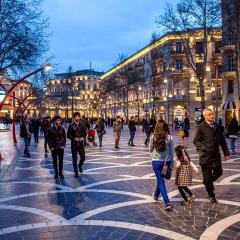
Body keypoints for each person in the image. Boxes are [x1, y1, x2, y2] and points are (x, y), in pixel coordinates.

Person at [193, 108, 230, 203]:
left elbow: (222, 140)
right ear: (205, 116)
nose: (212, 116)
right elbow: (196, 141)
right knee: (207, 177)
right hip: (205, 156)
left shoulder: (218, 126)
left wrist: (226, 153)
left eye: (212, 114)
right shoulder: (200, 126)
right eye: (210, 114)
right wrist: (203, 148)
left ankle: (207, 182)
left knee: (219, 172)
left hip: (216, 155)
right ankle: (211, 194)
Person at [149, 120, 174, 211]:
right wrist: (171, 164)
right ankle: (167, 202)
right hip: (165, 162)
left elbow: (150, 149)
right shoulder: (170, 138)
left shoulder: (153, 137)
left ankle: (156, 195)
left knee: (160, 180)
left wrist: (153, 157)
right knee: (161, 181)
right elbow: (171, 153)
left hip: (156, 162)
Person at [67, 112, 86, 177]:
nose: (78, 117)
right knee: (74, 159)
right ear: (74, 117)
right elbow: (68, 135)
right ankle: (76, 172)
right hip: (74, 144)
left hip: (81, 144)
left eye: (78, 116)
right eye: (76, 116)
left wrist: (83, 138)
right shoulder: (71, 125)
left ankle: (80, 165)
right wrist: (74, 138)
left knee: (83, 157)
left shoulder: (82, 125)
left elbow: (84, 133)